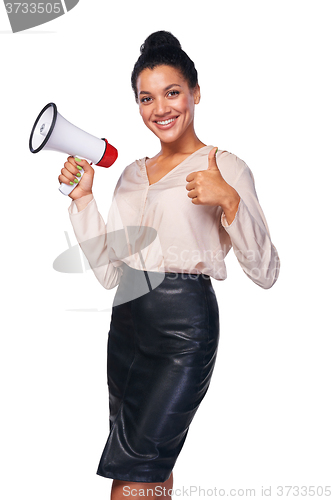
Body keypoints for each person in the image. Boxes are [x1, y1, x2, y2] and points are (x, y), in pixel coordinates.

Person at [58, 31, 280, 500]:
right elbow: (109, 273)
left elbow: (266, 271)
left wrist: (230, 200)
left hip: (184, 328)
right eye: (146, 98)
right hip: (127, 326)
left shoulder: (224, 166)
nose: (160, 108)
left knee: (133, 479)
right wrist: (83, 201)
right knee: (154, 471)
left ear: (196, 93)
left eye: (172, 92)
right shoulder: (132, 175)